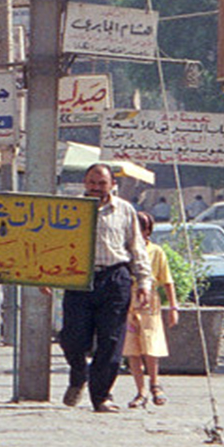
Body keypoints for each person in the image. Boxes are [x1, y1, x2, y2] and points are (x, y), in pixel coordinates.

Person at [59, 163, 149, 413]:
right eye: (92, 182)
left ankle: (101, 396)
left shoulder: (125, 210)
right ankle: (79, 374)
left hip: (114, 279)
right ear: (85, 183)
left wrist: (144, 282)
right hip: (79, 279)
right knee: (72, 338)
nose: (96, 187)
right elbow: (56, 244)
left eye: (101, 183)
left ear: (112, 185)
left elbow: (136, 247)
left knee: (111, 341)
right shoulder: (71, 208)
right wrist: (47, 277)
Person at [122, 215, 179, 408]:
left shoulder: (156, 251)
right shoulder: (123, 251)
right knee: (132, 349)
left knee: (150, 345)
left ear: (147, 231)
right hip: (127, 301)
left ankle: (155, 384)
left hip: (149, 302)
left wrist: (173, 307)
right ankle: (141, 391)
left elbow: (167, 281)